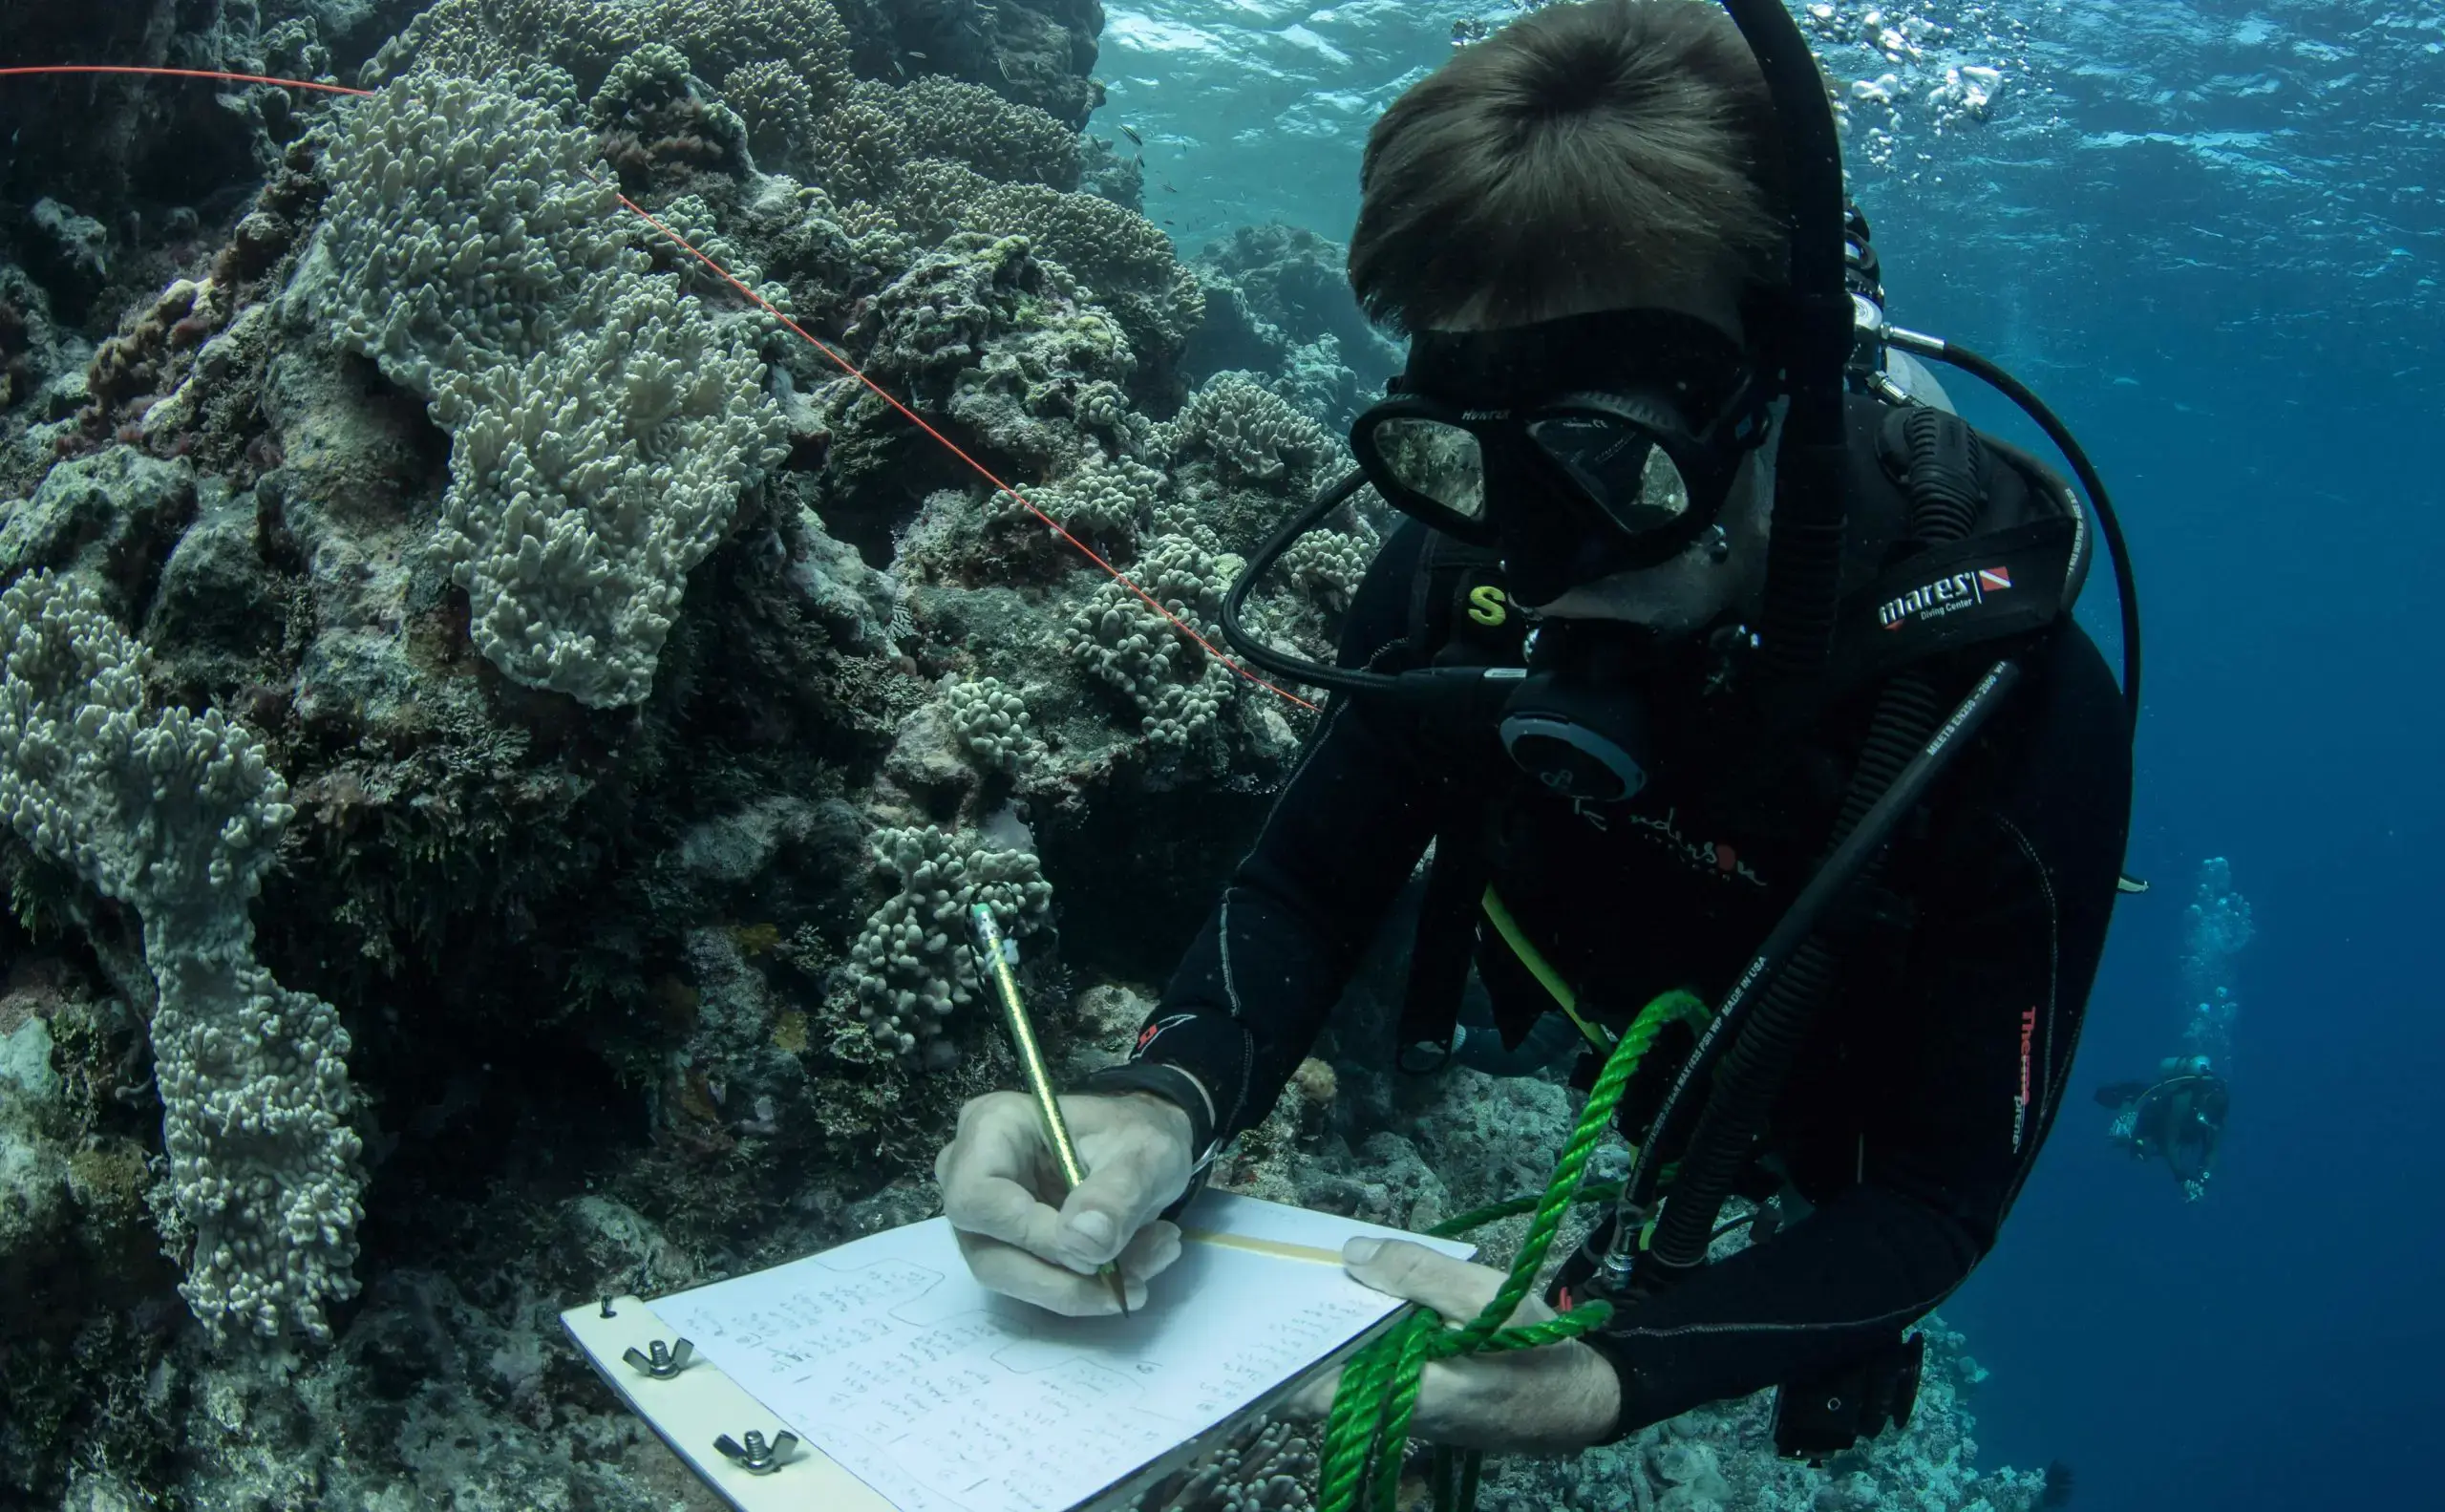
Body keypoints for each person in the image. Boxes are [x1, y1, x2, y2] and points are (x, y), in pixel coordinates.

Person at [936, 0, 2133, 1460]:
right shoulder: (1466, 567)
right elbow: (1310, 880)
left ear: (1785, 397)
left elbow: (1940, 1198)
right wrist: (1156, 1095)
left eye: (1610, 454)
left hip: (1800, 1127)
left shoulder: (2004, 704)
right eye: (1469, 451)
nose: (1533, 546)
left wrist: (1608, 1374)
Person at [2096, 1056, 2228, 1202]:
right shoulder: (2182, 1101)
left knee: (2146, 1150)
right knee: (2135, 1146)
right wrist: (2182, 1177)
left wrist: (2204, 1176)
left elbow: (2212, 1149)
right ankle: (2127, 1104)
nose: (2209, 1121)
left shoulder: (2217, 1114)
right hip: (2155, 1122)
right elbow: (2170, 1143)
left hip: (2178, 1128)